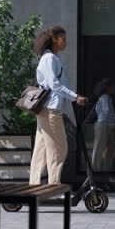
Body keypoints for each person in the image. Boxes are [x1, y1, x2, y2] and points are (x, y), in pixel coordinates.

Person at [29, 26, 88, 185]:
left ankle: (34, 185)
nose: (66, 42)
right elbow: (54, 85)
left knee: (41, 151)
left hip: (45, 110)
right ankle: (53, 186)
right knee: (59, 148)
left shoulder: (50, 58)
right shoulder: (50, 59)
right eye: (63, 38)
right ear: (54, 39)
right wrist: (75, 97)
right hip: (50, 110)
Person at [91, 79, 115, 171]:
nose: (114, 89)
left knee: (110, 147)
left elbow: (107, 113)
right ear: (107, 87)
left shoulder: (105, 97)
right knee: (100, 148)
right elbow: (106, 113)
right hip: (103, 125)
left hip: (106, 125)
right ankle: (95, 169)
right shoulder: (105, 97)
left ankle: (106, 168)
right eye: (112, 87)